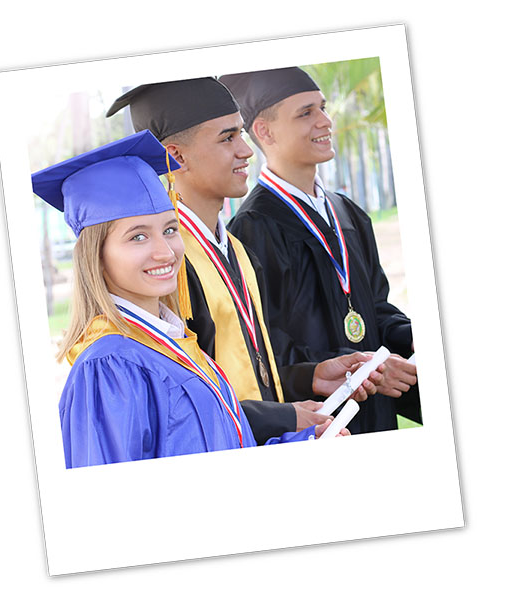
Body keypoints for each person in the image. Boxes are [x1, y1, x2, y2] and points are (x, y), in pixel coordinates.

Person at [31, 130, 350, 468]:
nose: (165, 251)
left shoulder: (179, 343)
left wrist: (302, 444)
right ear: (97, 256)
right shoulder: (110, 366)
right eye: (138, 236)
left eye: (170, 229)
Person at [106, 78, 383, 443]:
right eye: (227, 138)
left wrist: (308, 375)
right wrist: (282, 417)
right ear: (176, 156)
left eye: (241, 134)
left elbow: (248, 368)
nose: (247, 150)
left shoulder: (235, 248)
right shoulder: (166, 266)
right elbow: (179, 399)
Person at [219, 67, 420, 433]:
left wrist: (414, 336)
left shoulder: (349, 213)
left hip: (377, 409)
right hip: (320, 420)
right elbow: (267, 348)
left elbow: (373, 308)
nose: (326, 121)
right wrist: (354, 367)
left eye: (322, 108)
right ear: (264, 131)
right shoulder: (253, 228)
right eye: (306, 113)